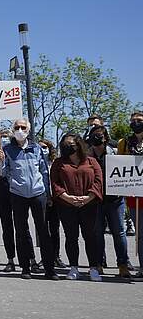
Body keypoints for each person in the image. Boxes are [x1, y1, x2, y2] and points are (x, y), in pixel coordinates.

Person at [0, 118, 59, 280]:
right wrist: (1, 160)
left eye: (23, 127)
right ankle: (25, 267)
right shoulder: (7, 149)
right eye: (17, 127)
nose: (19, 130)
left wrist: (48, 194)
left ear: (28, 130)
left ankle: (49, 269)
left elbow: (44, 172)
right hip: (18, 194)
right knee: (21, 232)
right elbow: (3, 173)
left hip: (38, 194)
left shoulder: (37, 148)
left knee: (43, 232)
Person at [0, 130, 36, 273]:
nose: (3, 140)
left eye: (6, 137)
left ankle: (31, 259)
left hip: (18, 193)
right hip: (2, 194)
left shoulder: (16, 154)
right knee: (7, 227)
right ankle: (10, 260)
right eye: (1, 137)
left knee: (22, 227)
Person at [51, 133, 103, 281]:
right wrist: (67, 197)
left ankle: (93, 268)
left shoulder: (91, 161)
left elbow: (99, 181)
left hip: (89, 205)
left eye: (70, 145)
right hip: (66, 205)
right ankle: (73, 267)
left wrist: (88, 197)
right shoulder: (58, 163)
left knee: (90, 237)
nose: (67, 147)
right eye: (64, 145)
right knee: (71, 237)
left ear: (78, 145)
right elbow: (55, 183)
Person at [88, 125, 130, 278]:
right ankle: (99, 264)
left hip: (115, 200)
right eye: (94, 135)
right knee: (97, 233)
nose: (96, 138)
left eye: (99, 135)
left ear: (105, 137)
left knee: (119, 233)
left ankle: (123, 265)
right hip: (95, 200)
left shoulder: (116, 152)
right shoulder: (87, 155)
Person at [118, 111, 143, 278]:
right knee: (140, 234)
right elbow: (119, 164)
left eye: (139, 120)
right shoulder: (124, 143)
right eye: (133, 120)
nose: (136, 123)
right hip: (135, 195)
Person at [39, 138, 66, 269]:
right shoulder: (36, 162)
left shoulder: (56, 162)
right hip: (42, 198)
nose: (42, 150)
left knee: (55, 229)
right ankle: (45, 257)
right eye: (40, 148)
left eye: (45, 147)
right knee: (43, 230)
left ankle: (56, 256)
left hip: (56, 200)